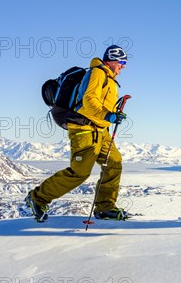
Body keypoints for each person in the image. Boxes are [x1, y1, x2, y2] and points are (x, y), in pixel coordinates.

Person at [26, 45, 129, 222]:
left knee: (114, 163)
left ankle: (105, 207)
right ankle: (37, 198)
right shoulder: (98, 73)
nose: (124, 66)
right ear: (112, 59)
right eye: (122, 62)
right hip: (83, 129)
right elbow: (88, 101)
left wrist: (113, 114)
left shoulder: (110, 79)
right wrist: (108, 115)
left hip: (100, 130)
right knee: (79, 172)